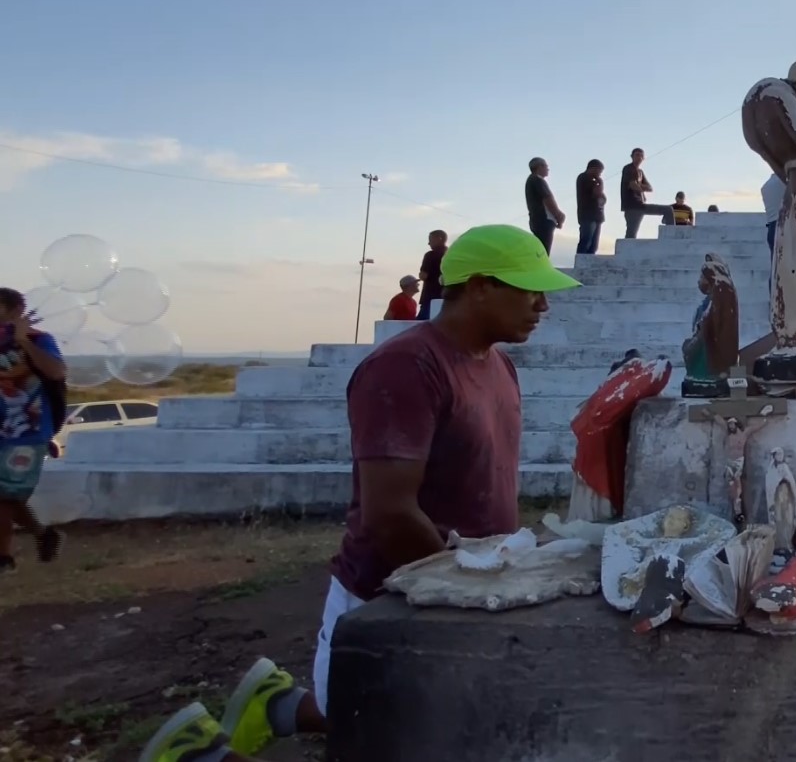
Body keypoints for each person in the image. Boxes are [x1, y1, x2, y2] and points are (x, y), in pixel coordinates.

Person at [139, 225, 578, 762]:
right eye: (530, 289)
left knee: (436, 733)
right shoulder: (407, 367)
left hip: (457, 590)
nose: (543, 305)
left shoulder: (498, 364)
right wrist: (466, 599)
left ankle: (278, 704)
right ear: (481, 285)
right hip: (395, 599)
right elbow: (390, 516)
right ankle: (197, 755)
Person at [0, 288, 66, 574]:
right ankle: (42, 534)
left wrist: (23, 341)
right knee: (8, 498)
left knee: (4, 497)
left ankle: (3, 559)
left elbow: (56, 372)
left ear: (15, 310)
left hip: (28, 430)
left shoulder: (40, 340)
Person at [620, 148, 674, 239]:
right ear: (632, 156)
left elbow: (650, 188)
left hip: (640, 205)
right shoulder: (628, 168)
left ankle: (671, 236)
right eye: (637, 155)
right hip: (631, 206)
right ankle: (626, 252)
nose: (639, 158)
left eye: (641, 156)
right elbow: (632, 184)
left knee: (668, 210)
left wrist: (639, 185)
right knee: (631, 234)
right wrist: (639, 187)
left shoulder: (640, 172)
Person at [523, 157, 565, 255]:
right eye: (546, 166)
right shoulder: (537, 179)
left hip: (537, 220)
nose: (547, 169)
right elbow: (547, 198)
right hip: (543, 219)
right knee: (543, 251)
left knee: (539, 248)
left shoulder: (531, 180)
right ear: (540, 166)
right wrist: (558, 215)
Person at [574, 159, 607, 256]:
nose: (600, 174)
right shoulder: (584, 178)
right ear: (593, 168)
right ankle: (580, 262)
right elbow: (597, 193)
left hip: (596, 215)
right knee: (586, 241)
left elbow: (603, 198)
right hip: (588, 215)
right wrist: (600, 183)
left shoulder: (593, 181)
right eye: (599, 171)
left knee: (593, 245)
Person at [415, 230, 447, 321]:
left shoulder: (430, 255)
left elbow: (423, 276)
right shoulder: (450, 254)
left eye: (431, 240)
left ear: (439, 239)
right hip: (447, 297)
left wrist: (421, 274)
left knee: (421, 325)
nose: (429, 243)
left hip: (430, 297)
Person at [761, 172, 786, 257]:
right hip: (786, 225)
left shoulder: (765, 187)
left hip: (771, 227)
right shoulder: (787, 182)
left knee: (775, 264)